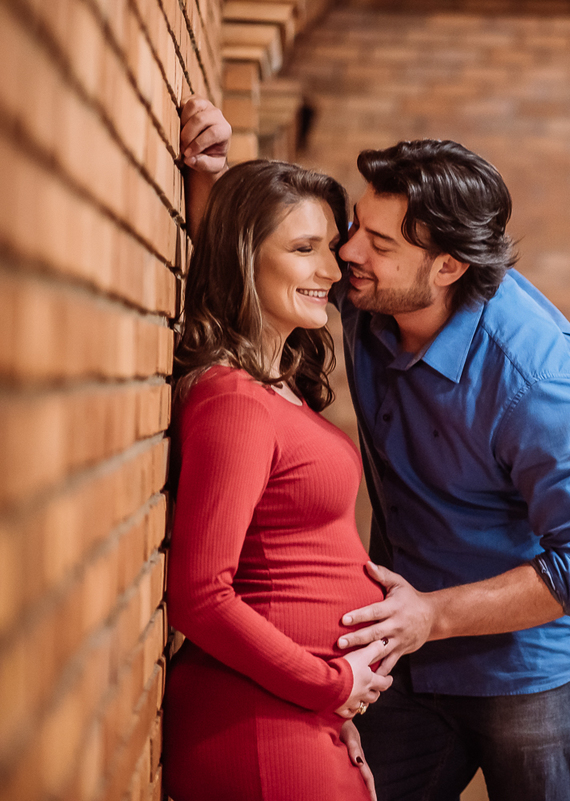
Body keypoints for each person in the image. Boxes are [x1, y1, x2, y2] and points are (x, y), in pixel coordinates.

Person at [181, 100, 570, 800]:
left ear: (446, 267)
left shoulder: (540, 377)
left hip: (533, 671)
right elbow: (259, 267)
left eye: (379, 243)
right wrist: (211, 179)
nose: (349, 253)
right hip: (401, 658)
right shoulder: (371, 291)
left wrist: (433, 615)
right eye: (357, 227)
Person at [164, 150, 394, 801]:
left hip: (298, 711)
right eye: (304, 248)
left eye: (331, 246)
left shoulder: (274, 386)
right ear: (244, 257)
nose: (332, 269)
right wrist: (332, 684)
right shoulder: (233, 401)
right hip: (258, 720)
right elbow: (201, 596)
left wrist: (334, 700)